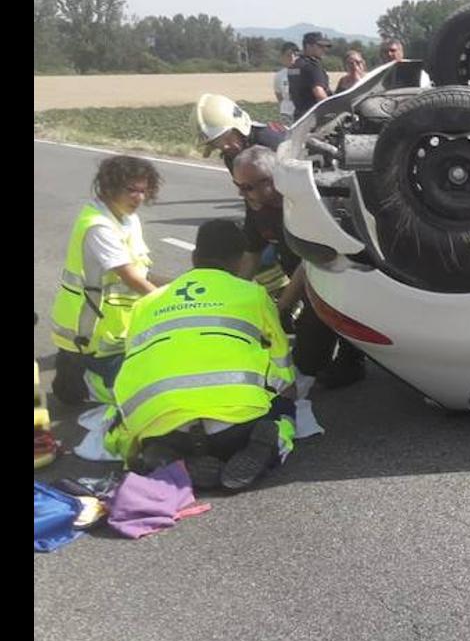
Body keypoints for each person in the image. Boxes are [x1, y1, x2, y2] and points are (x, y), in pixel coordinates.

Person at [104, 219, 296, 491]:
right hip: (235, 428)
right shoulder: (253, 294)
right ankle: (271, 443)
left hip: (161, 426)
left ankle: (159, 457)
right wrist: (285, 396)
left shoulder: (145, 304)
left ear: (194, 257)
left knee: (125, 424)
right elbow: (282, 365)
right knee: (284, 410)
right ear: (240, 261)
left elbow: (136, 362)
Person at [232, 145, 366, 388]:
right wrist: (233, 300)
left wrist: (280, 308)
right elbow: (252, 253)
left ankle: (351, 360)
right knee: (304, 344)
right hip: (299, 271)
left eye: (247, 187)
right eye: (238, 185)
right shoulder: (256, 203)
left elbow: (310, 262)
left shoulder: (307, 202)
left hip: (330, 273)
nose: (242, 193)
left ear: (272, 180)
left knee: (308, 354)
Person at [49, 155, 163, 405]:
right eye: (131, 190)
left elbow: (141, 270)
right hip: (90, 327)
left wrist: (180, 285)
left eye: (143, 191)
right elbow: (129, 276)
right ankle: (79, 383)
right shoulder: (98, 225)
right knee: (126, 395)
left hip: (115, 326)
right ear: (109, 187)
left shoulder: (128, 219)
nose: (139, 197)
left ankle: (76, 378)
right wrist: (165, 303)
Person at [193, 93, 287, 172]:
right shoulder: (232, 158)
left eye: (226, 137)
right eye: (216, 143)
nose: (224, 146)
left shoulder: (272, 142)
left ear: (239, 127)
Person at [287, 31, 332, 121]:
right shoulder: (312, 66)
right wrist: (331, 112)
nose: (324, 49)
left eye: (325, 47)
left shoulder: (294, 66)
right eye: (320, 46)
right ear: (308, 46)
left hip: (299, 117)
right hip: (314, 118)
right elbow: (319, 92)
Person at [273, 41, 299, 125]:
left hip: (302, 113)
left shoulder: (305, 72)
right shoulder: (279, 75)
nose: (292, 58)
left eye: (295, 55)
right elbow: (278, 94)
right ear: (282, 57)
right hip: (286, 113)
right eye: (288, 55)